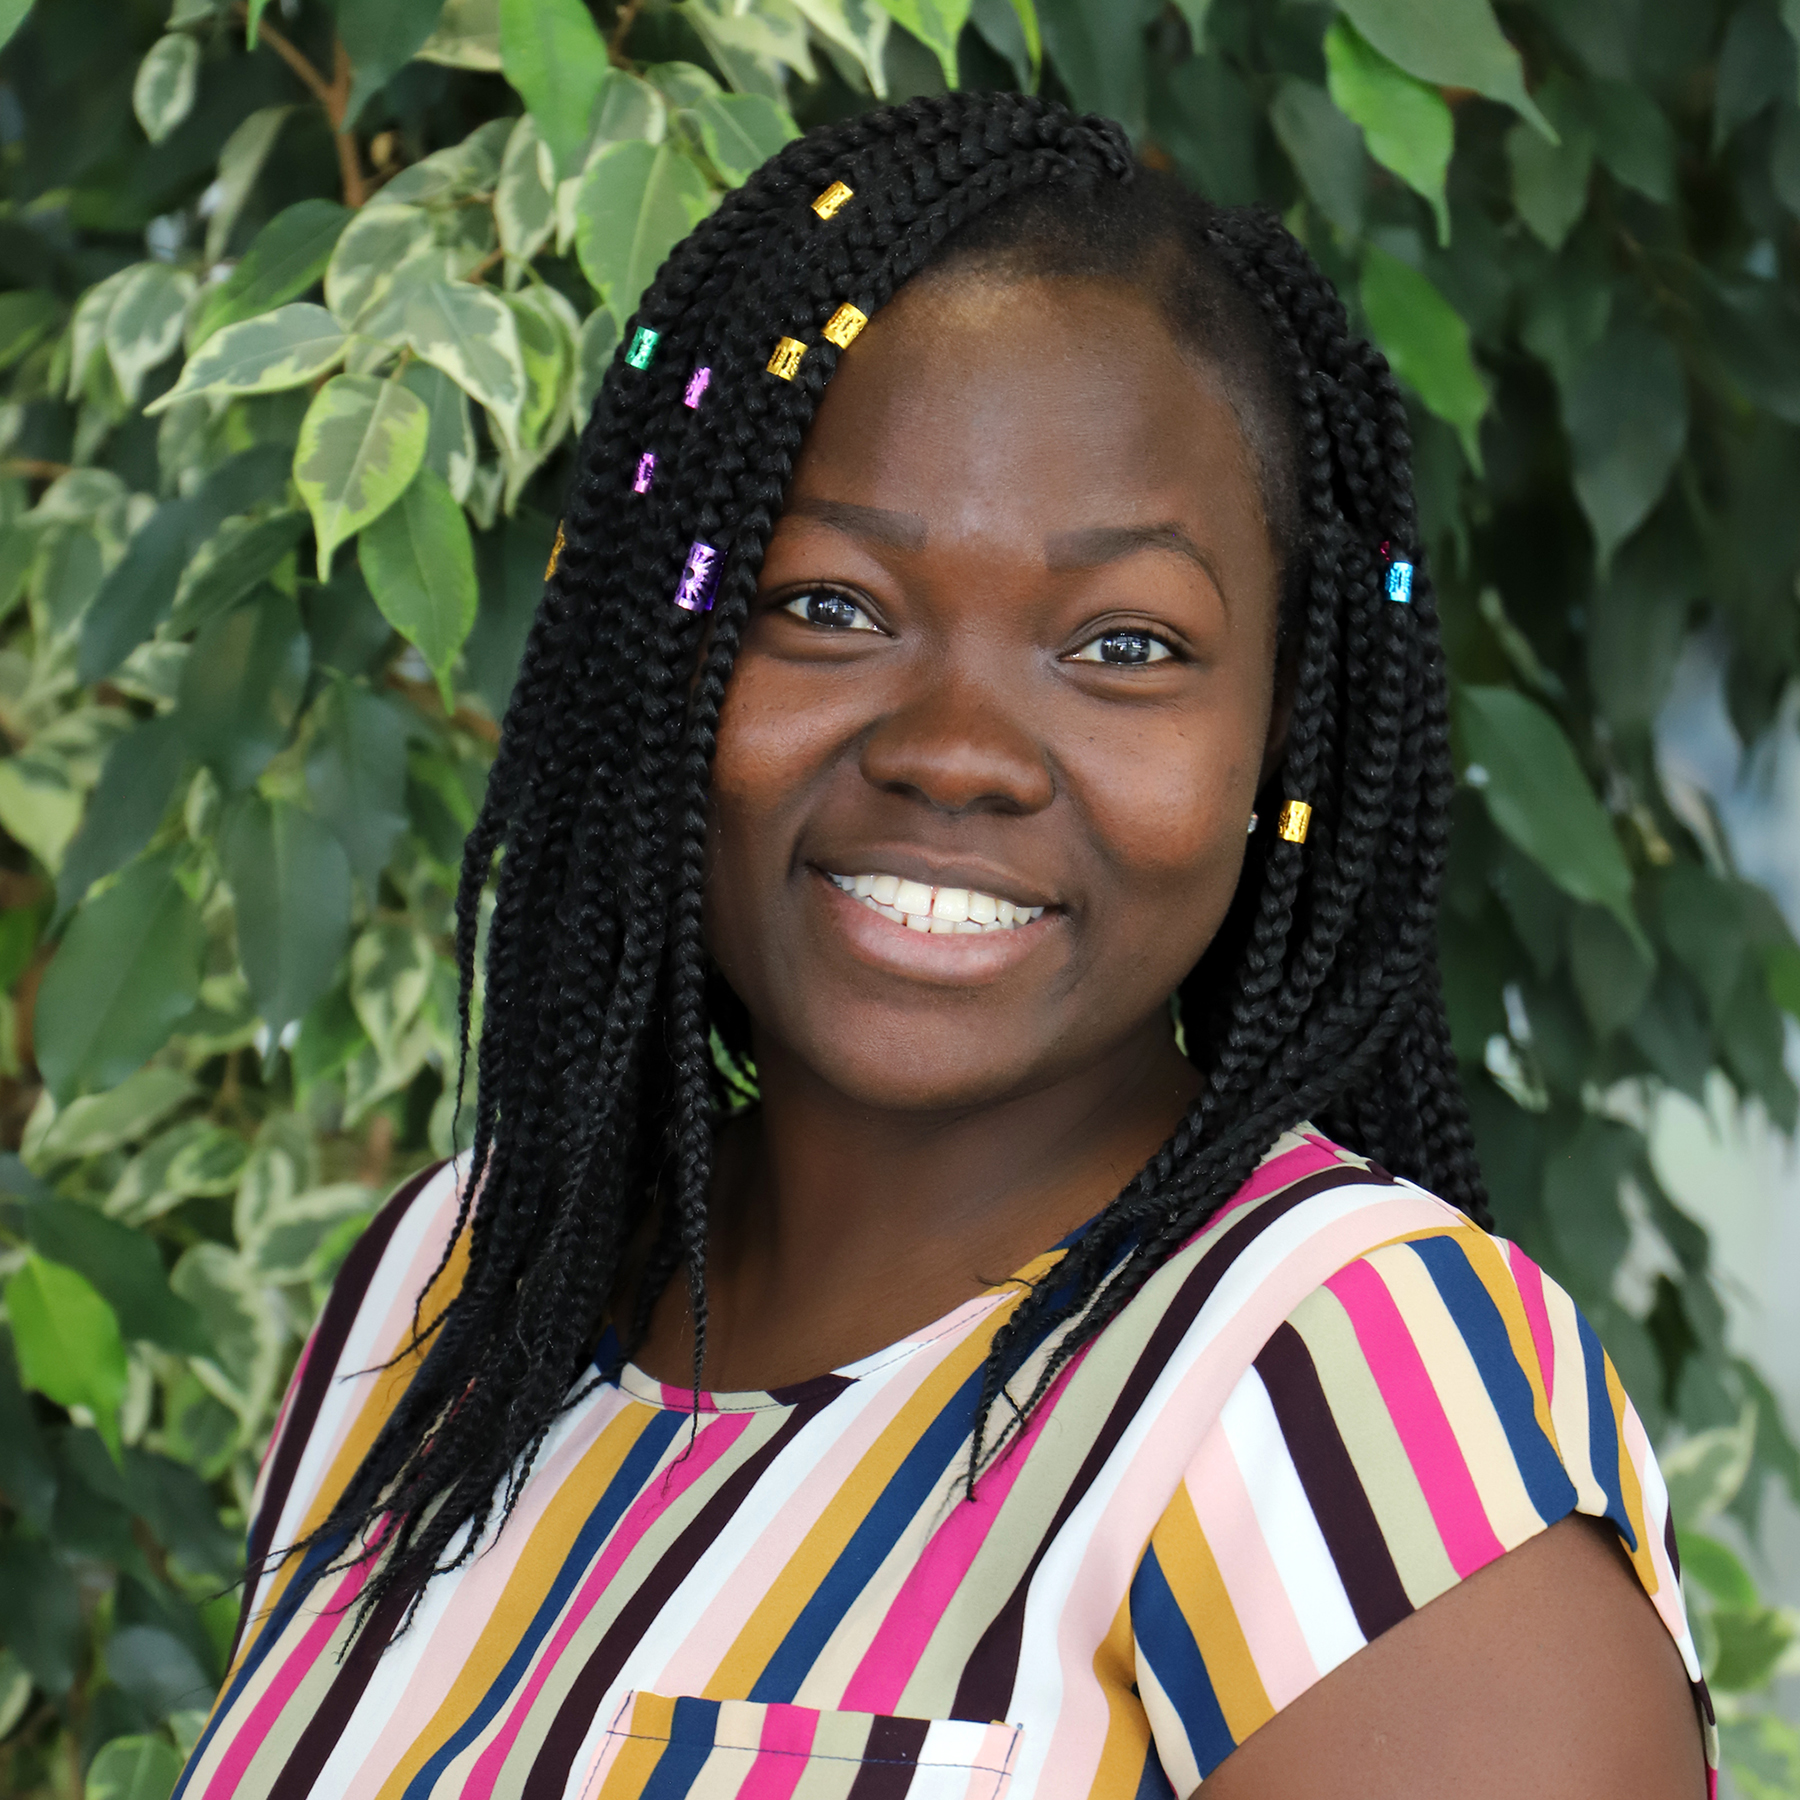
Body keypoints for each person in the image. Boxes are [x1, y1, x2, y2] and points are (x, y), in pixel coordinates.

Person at [174, 92, 1715, 1800]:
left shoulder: (1340, 1407)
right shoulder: (451, 1290)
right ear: (663, 652)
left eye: (1125, 644)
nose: (955, 748)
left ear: (1283, 736)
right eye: (828, 607)